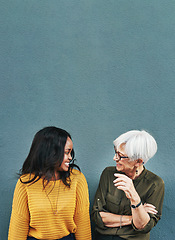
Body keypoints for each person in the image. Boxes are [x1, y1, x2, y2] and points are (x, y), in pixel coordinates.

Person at [8, 126, 92, 240]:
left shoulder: (77, 178)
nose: (70, 157)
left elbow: (83, 223)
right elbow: (17, 228)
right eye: (67, 152)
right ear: (51, 152)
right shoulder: (25, 182)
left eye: (71, 153)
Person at [92, 130, 164, 240]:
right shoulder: (108, 174)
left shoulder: (155, 184)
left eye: (120, 156)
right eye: (115, 152)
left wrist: (134, 196)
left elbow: (143, 226)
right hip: (103, 237)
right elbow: (97, 216)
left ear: (138, 161)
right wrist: (134, 217)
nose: (115, 158)